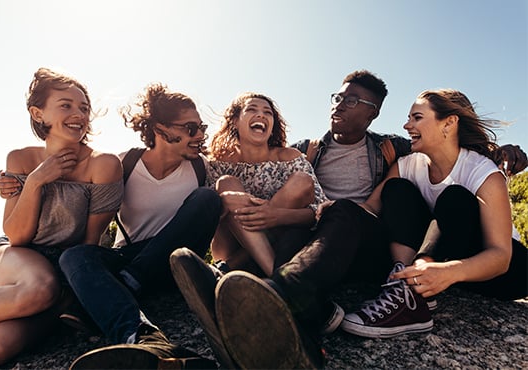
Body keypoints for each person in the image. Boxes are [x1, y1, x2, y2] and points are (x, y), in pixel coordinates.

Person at [170, 70, 412, 369]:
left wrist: (273, 213)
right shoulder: (308, 149)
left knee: (335, 208)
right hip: (308, 243)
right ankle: (294, 312)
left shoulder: (390, 148)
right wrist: (229, 201)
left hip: (353, 233)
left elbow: (435, 149)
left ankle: (265, 288)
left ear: (372, 112)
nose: (339, 104)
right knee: (277, 218)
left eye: (351, 100)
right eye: (337, 97)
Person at [0, 83, 220, 369]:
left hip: (173, 263)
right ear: (160, 129)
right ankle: (141, 337)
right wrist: (14, 185)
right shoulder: (127, 162)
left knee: (207, 199)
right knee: (75, 255)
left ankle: (127, 282)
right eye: (190, 128)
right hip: (129, 259)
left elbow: (242, 171)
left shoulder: (203, 168)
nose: (199, 135)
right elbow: (84, 202)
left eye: (200, 127)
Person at [341, 89, 528, 339]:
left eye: (417, 117)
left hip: (504, 272)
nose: (407, 125)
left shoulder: (483, 173)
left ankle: (413, 296)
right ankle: (406, 283)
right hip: (442, 260)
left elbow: (500, 256)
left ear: (449, 123)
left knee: (454, 198)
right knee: (397, 189)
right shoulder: (408, 164)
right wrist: (334, 210)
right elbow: (371, 207)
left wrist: (449, 271)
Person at [0, 67, 123, 368]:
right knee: (39, 288)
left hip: (64, 273)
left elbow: (88, 243)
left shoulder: (104, 165)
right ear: (38, 114)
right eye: (65, 105)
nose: (78, 114)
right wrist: (36, 181)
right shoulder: (21, 159)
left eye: (84, 108)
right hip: (15, 257)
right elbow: (18, 236)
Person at [206, 92, 327, 277]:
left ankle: (233, 268)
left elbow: (319, 213)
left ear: (272, 126)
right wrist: (223, 201)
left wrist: (275, 215)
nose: (261, 115)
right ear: (236, 121)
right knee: (226, 183)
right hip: (230, 244)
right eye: (252, 109)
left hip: (282, 238)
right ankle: (277, 278)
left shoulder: (290, 158)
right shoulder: (218, 163)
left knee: (302, 181)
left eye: (267, 112)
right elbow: (207, 216)